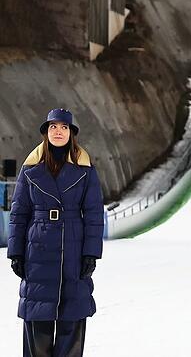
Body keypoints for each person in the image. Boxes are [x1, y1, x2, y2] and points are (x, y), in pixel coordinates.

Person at [7, 108, 104, 357]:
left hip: (73, 246)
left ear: (71, 133)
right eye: (53, 127)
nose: (58, 131)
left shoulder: (85, 169)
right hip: (37, 248)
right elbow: (19, 213)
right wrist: (15, 252)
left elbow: (93, 214)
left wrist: (90, 254)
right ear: (45, 133)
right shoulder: (30, 170)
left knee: (71, 318)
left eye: (63, 127)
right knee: (37, 317)